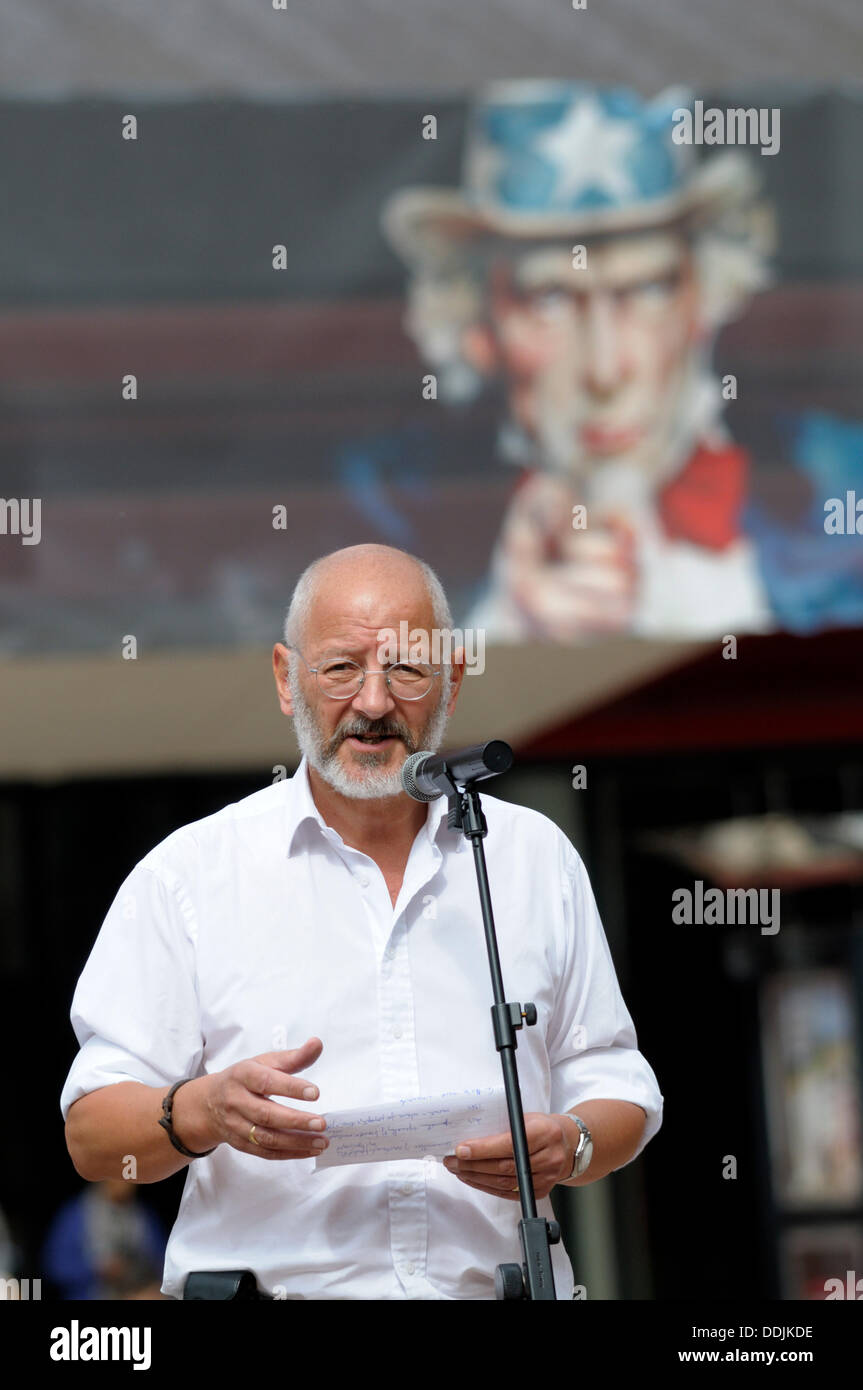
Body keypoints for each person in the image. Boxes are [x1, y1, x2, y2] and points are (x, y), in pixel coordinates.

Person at [61, 543, 662, 1300]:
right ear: (286, 679)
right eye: (341, 667)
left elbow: (617, 1087)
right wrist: (203, 1109)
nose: (373, 704)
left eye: (406, 669)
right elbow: (91, 1137)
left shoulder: (528, 857)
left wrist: (570, 1144)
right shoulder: (190, 873)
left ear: (451, 678)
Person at [382, 81, 863, 639]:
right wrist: (504, 630)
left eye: (648, 290)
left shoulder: (838, 478)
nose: (607, 371)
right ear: (479, 330)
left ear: (704, 302)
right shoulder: (384, 508)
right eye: (550, 300)